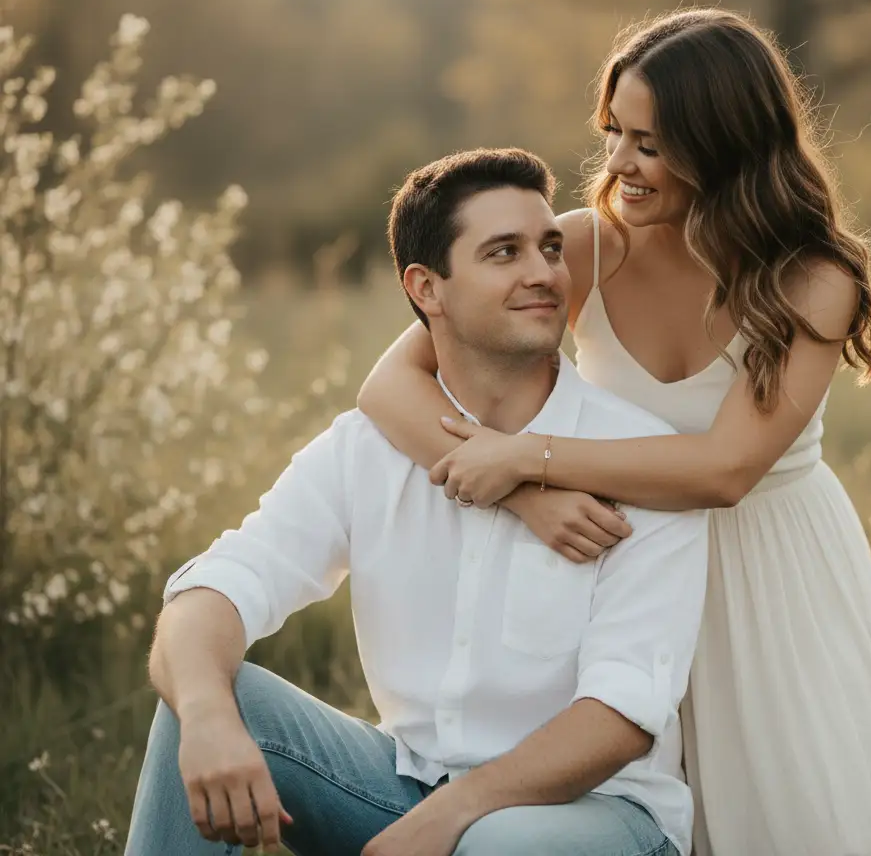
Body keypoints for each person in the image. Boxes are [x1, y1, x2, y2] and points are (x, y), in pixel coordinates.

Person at [358, 10, 871, 855]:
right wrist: (528, 498)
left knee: (797, 815)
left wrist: (529, 456)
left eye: (651, 143)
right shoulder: (585, 248)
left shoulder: (809, 278)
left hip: (773, 569)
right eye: (615, 134)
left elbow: (724, 470)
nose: (620, 166)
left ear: (724, 142)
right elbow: (388, 386)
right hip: (626, 562)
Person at [125, 147, 708, 856]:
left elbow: (622, 718)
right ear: (427, 288)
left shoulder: (637, 461)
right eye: (504, 253)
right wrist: (208, 715)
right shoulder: (365, 449)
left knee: (495, 845)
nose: (545, 273)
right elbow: (220, 583)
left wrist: (451, 819)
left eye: (551, 248)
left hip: (600, 816)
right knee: (212, 692)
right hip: (406, 785)